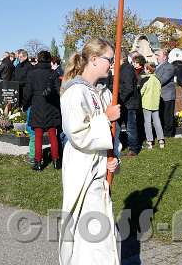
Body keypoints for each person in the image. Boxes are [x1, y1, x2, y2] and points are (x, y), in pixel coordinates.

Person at [59, 38, 121, 265]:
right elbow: (77, 133)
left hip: (99, 166)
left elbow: (112, 135)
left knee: (101, 229)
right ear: (94, 59)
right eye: (109, 60)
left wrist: (113, 159)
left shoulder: (102, 93)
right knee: (90, 230)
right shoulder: (75, 92)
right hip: (82, 166)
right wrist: (106, 117)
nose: (112, 65)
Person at [24, 50, 62, 171]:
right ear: (49, 60)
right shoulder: (53, 73)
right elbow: (58, 91)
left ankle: (38, 162)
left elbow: (28, 92)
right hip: (51, 105)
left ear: (38, 59)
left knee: (38, 135)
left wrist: (25, 104)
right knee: (52, 134)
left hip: (37, 104)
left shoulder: (32, 73)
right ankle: (56, 161)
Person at [119, 52, 143, 156]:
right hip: (125, 102)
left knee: (130, 127)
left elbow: (128, 87)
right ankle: (121, 145)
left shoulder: (127, 69)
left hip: (129, 103)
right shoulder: (122, 69)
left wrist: (120, 98)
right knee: (120, 126)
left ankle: (133, 148)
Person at [140, 63, 164, 149]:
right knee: (157, 121)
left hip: (146, 103)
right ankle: (161, 140)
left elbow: (142, 91)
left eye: (145, 69)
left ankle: (149, 141)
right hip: (155, 103)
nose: (144, 70)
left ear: (149, 70)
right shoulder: (157, 80)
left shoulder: (147, 80)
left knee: (147, 122)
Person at [155, 49, 177, 138]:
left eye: (158, 55)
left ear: (164, 57)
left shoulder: (169, 67)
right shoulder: (158, 66)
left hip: (167, 95)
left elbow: (163, 80)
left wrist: (151, 83)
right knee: (161, 115)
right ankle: (162, 133)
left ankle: (168, 134)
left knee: (167, 116)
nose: (157, 57)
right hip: (160, 95)